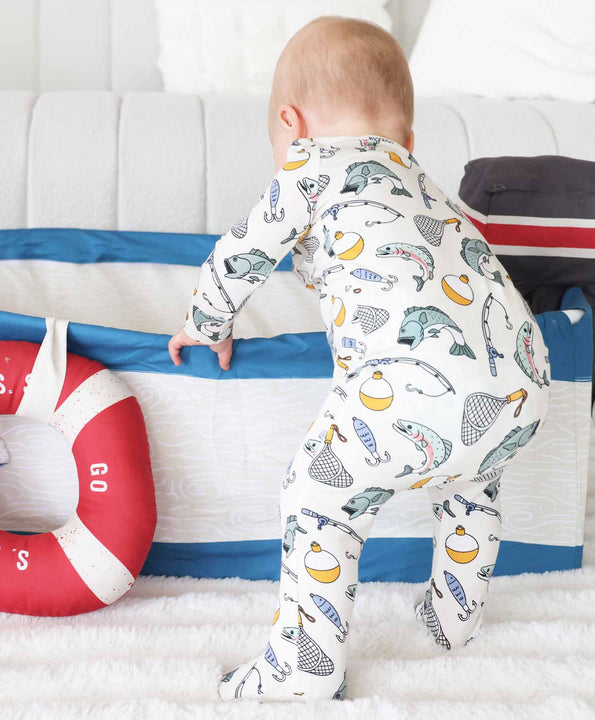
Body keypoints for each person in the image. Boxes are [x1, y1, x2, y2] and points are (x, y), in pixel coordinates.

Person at [168, 15, 550, 702]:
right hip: (520, 379)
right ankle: (453, 618)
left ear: (290, 124)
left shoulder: (310, 168)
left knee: (317, 495)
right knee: (470, 482)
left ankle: (303, 666)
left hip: (413, 385)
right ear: (408, 138)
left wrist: (206, 324)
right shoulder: (423, 184)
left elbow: (242, 253)